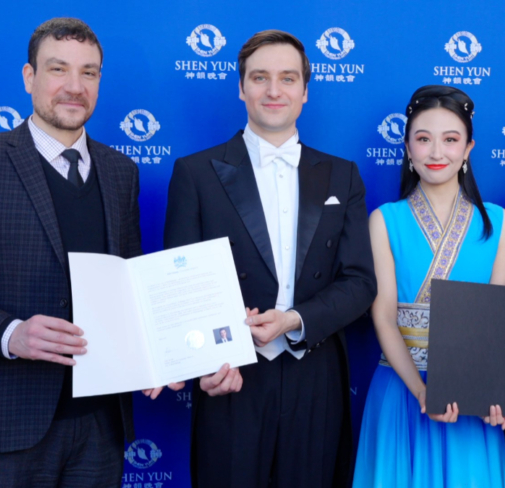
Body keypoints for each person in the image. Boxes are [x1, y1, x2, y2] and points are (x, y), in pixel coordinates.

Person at [0, 17, 178, 487]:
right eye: (58, 69)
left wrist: (160, 353)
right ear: (29, 77)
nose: (75, 87)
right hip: (3, 425)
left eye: (89, 72)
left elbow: (130, 285)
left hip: (100, 425)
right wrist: (9, 333)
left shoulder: (120, 171)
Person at [163, 29, 376, 488]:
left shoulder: (343, 175)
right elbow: (178, 285)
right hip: (231, 374)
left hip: (314, 373)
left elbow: (360, 282)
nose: (274, 90)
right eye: (260, 78)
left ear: (305, 91)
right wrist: (205, 363)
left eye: (287, 78)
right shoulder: (195, 173)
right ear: (242, 88)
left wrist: (294, 320)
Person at [353, 85, 505, 488]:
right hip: (402, 388)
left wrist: (493, 391)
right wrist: (422, 391)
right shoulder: (384, 219)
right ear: (408, 148)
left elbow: (495, 323)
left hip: (469, 395)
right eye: (424, 139)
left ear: (469, 148)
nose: (437, 152)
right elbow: (384, 317)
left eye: (451, 139)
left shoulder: (500, 222)